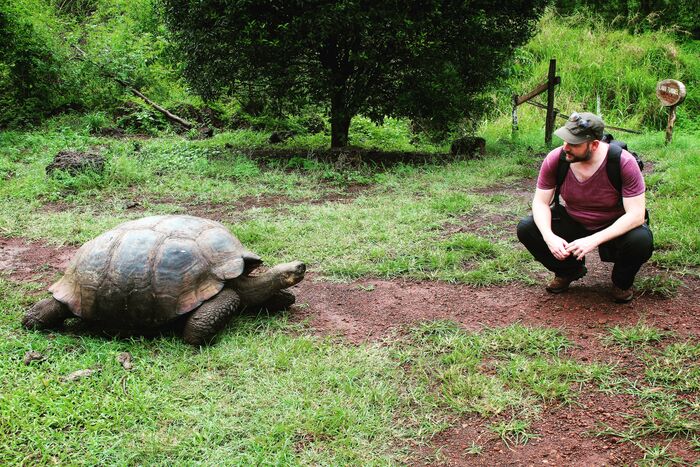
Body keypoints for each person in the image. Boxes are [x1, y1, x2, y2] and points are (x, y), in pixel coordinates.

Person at [517, 112, 653, 303]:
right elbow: (540, 202)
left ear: (594, 144)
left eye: (574, 143)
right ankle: (569, 271)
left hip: (614, 225)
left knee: (641, 239)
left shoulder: (623, 162)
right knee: (527, 228)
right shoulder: (556, 159)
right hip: (575, 221)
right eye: (565, 140)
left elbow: (636, 214)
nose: (566, 147)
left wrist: (593, 240)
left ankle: (621, 282)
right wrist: (549, 237)